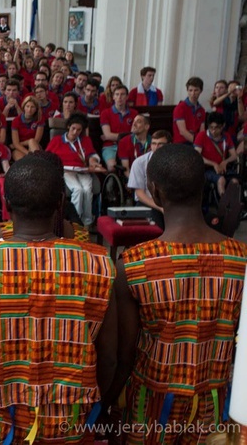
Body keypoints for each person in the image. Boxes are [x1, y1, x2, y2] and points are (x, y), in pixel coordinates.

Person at [0, 156, 116, 444]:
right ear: (60, 203)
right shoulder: (99, 265)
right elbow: (109, 357)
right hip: (71, 421)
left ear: (7, 203)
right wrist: (100, 408)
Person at [111, 144, 247, 443]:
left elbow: (124, 357)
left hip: (150, 410)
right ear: (203, 186)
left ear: (155, 191)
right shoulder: (241, 258)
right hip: (215, 410)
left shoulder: (134, 265)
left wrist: (109, 405)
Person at [46, 114, 107, 226]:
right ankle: (76, 221)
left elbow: (92, 154)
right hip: (67, 171)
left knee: (87, 189)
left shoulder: (85, 140)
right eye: (73, 128)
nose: (75, 132)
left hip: (84, 170)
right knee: (78, 189)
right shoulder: (57, 140)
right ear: (68, 126)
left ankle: (87, 221)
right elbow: (48, 157)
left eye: (79, 130)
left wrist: (93, 161)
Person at [126, 130, 171, 229]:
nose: (156, 147)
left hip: (170, 202)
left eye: (160, 144)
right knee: (157, 227)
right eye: (154, 144)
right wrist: (160, 207)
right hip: (147, 202)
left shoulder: (175, 162)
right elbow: (140, 194)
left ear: (169, 145)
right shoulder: (139, 163)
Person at [194, 112, 239, 197]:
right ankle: (223, 205)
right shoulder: (202, 135)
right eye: (211, 127)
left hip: (223, 167)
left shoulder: (226, 136)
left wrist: (225, 162)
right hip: (207, 169)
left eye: (217, 128)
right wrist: (213, 164)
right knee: (221, 180)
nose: (213, 131)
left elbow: (234, 155)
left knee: (235, 182)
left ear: (223, 126)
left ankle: (234, 205)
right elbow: (196, 155)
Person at [99, 85, 139, 171]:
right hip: (111, 146)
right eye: (117, 94)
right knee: (112, 166)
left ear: (127, 97)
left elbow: (136, 133)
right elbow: (108, 135)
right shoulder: (105, 113)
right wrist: (128, 135)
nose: (119, 97)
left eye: (122, 94)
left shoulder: (134, 113)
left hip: (129, 146)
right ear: (113, 97)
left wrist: (113, 136)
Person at [172, 76, 206, 144]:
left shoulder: (201, 110)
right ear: (187, 90)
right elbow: (183, 131)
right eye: (190, 90)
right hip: (181, 143)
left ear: (201, 91)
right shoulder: (180, 107)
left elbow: (202, 131)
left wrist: (202, 143)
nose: (193, 93)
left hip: (195, 141)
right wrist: (197, 143)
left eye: (196, 90)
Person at [10, 96, 44, 162]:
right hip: (19, 148)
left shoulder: (39, 119)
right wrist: (29, 153)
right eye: (27, 106)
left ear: (36, 109)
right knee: (22, 160)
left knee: (32, 141)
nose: (29, 109)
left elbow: (36, 140)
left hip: (34, 145)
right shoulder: (16, 121)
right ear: (24, 107)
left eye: (32, 107)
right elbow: (16, 143)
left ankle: (38, 164)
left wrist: (28, 142)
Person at [117, 114, 151, 178]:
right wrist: (133, 182)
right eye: (133, 121)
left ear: (146, 127)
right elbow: (126, 169)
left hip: (149, 176)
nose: (134, 124)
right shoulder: (124, 142)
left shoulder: (154, 142)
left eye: (138, 122)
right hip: (133, 176)